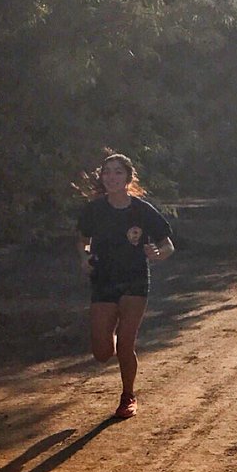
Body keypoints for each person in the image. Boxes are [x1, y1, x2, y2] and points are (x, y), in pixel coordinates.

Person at [77, 153, 174, 420]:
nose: (111, 177)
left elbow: (167, 245)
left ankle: (127, 396)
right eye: (107, 172)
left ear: (129, 178)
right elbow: (83, 241)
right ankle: (115, 341)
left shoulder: (142, 210)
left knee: (126, 345)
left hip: (135, 281)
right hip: (103, 281)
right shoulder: (94, 210)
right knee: (102, 353)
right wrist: (84, 257)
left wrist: (158, 253)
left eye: (118, 172)